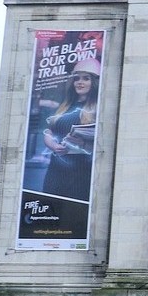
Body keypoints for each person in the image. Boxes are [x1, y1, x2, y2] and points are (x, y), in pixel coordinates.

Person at [41, 57, 100, 201]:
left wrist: (84, 145)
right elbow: (48, 132)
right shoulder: (65, 105)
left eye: (86, 78)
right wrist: (53, 146)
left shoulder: (99, 108)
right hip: (56, 170)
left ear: (94, 82)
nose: (80, 82)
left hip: (82, 171)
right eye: (77, 78)